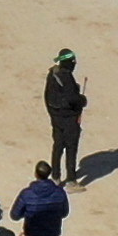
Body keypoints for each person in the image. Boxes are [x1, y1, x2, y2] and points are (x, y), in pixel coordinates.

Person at [43, 49, 87, 186]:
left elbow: (46, 97)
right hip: (69, 119)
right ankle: (71, 180)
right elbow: (72, 98)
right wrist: (82, 100)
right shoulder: (66, 77)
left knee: (57, 146)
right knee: (71, 148)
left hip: (56, 118)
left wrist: (52, 114)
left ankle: (55, 177)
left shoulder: (52, 74)